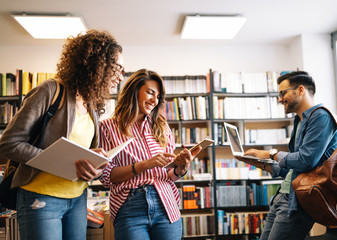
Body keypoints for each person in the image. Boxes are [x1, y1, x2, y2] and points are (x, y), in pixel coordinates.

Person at [0, 30, 124, 240]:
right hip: (40, 197)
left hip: (77, 199)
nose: (120, 76)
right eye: (117, 68)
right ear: (97, 64)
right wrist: (62, 160)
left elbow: (80, 158)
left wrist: (93, 165)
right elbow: (9, 144)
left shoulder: (91, 104)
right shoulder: (50, 90)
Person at [237, 71, 337, 240]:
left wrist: (269, 153)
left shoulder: (321, 117)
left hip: (299, 202)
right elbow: (294, 169)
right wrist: (258, 163)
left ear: (300, 90)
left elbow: (306, 161)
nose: (280, 99)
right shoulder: (300, 121)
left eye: (282, 93)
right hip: (284, 197)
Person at [99, 69, 200, 240]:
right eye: (150, 93)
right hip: (130, 206)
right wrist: (145, 164)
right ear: (134, 91)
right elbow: (107, 177)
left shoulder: (161, 127)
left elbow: (168, 175)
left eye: (158, 96)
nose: (155, 100)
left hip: (166, 204)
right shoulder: (107, 127)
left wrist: (181, 168)